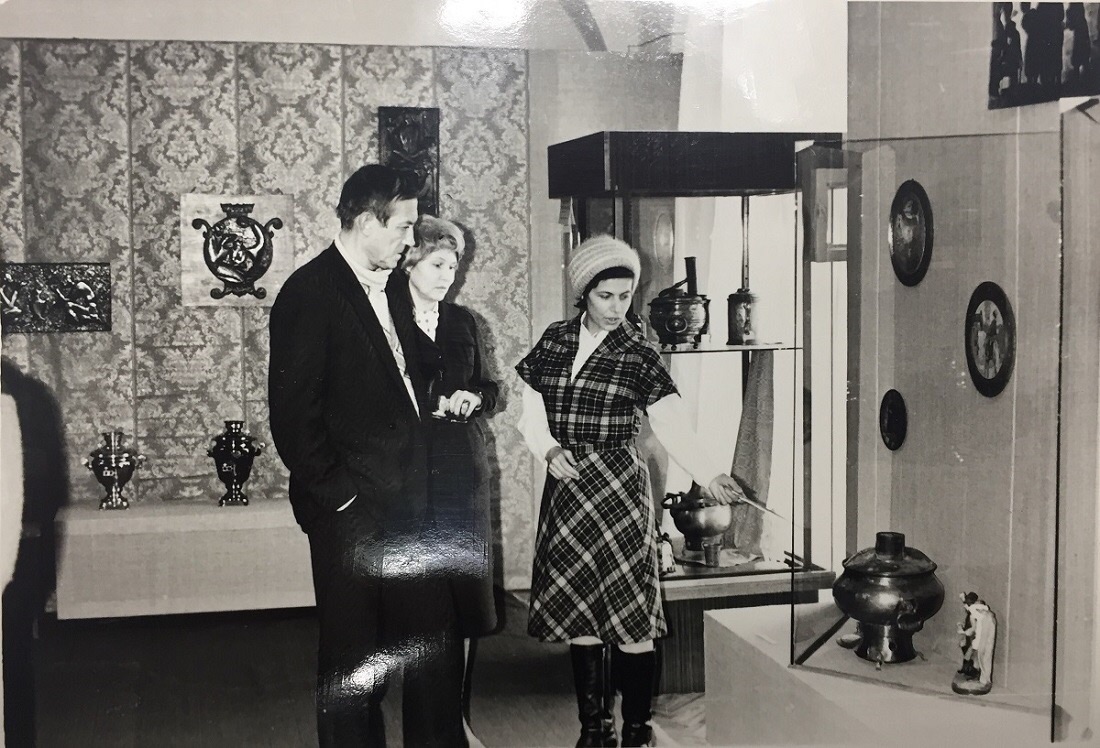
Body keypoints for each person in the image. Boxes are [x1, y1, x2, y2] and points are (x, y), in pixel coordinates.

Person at [515, 235, 744, 748]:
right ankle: (594, 730)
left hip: (620, 486)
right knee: (580, 608)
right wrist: (549, 450)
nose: (617, 307)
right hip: (568, 485)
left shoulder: (639, 352)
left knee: (631, 612)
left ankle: (637, 731)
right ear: (583, 294)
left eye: (625, 296)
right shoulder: (555, 340)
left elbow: (672, 423)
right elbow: (530, 411)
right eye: (605, 296)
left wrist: (710, 473)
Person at [268, 164, 466, 747]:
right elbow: (293, 419)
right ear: (364, 221)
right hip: (353, 515)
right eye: (403, 227)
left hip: (413, 506)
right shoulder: (309, 293)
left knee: (434, 649)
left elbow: (407, 377)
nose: (411, 239)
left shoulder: (391, 287)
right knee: (354, 669)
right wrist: (343, 503)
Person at [396, 215, 499, 744]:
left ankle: (453, 723)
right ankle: (428, 730)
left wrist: (473, 397)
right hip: (413, 480)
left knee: (461, 604)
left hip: (463, 476)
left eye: (453, 267)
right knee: (422, 610)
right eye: (437, 265)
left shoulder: (463, 322)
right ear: (409, 263)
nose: (447, 277)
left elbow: (490, 387)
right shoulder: (386, 321)